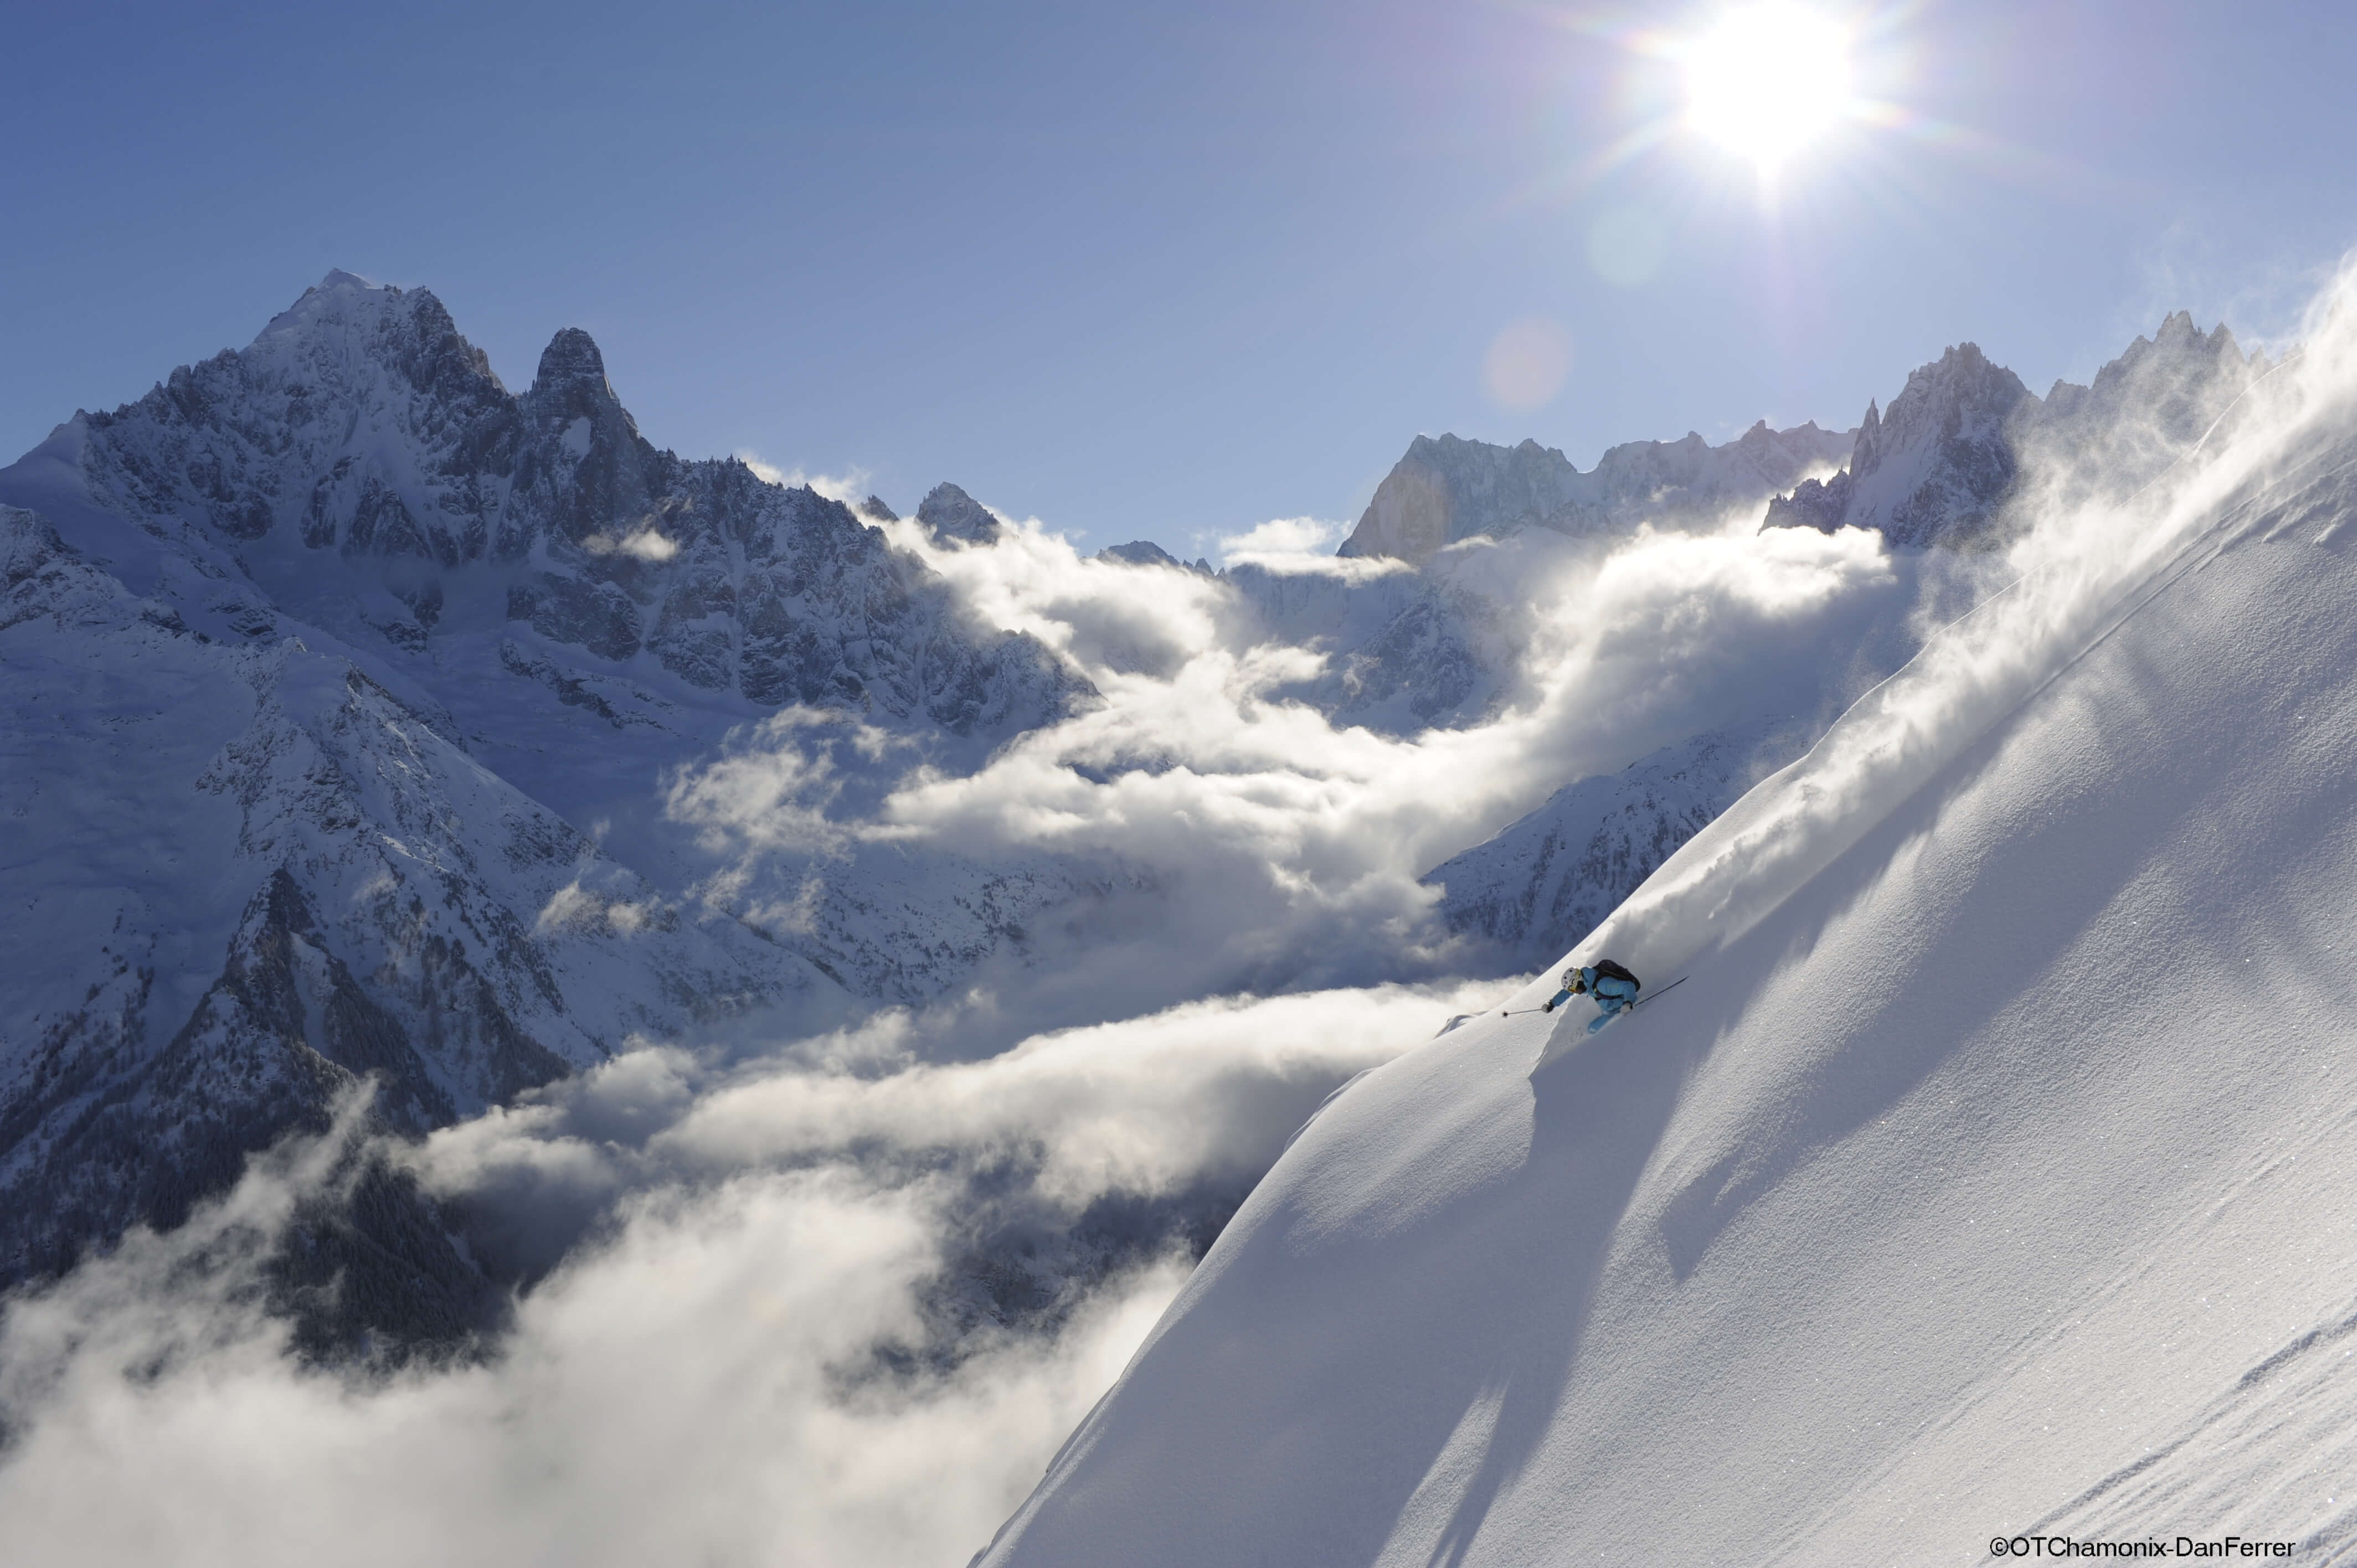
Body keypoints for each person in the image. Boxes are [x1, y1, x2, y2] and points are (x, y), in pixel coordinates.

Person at [1541, 959, 1641, 1033]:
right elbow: (1566, 992)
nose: (1575, 992)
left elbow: (1628, 986)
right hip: (1611, 1008)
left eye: (1574, 989)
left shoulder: (1603, 985)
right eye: (1573, 990)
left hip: (1620, 1008)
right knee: (1591, 1029)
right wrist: (1552, 1003)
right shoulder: (1588, 981)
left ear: (1579, 982)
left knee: (1593, 1030)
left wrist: (1628, 1002)